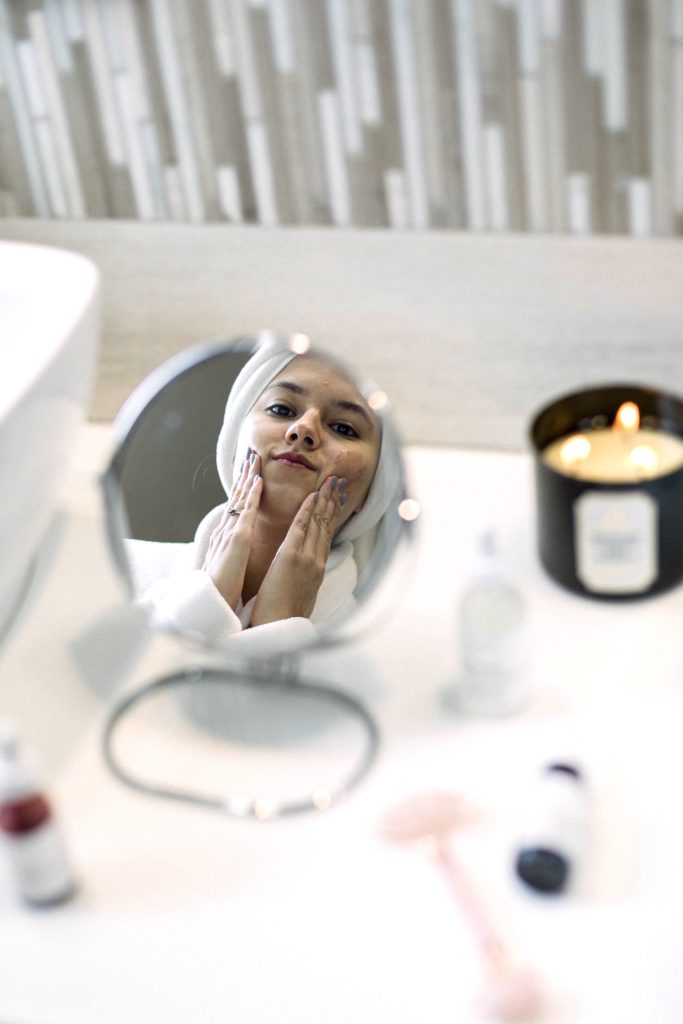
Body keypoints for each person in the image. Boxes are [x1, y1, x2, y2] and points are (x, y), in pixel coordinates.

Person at [133, 335, 402, 655]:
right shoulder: (132, 565)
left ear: (372, 493)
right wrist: (208, 596)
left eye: (344, 428)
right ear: (233, 447)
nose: (303, 429)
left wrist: (281, 626)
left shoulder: (371, 649)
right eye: (281, 409)